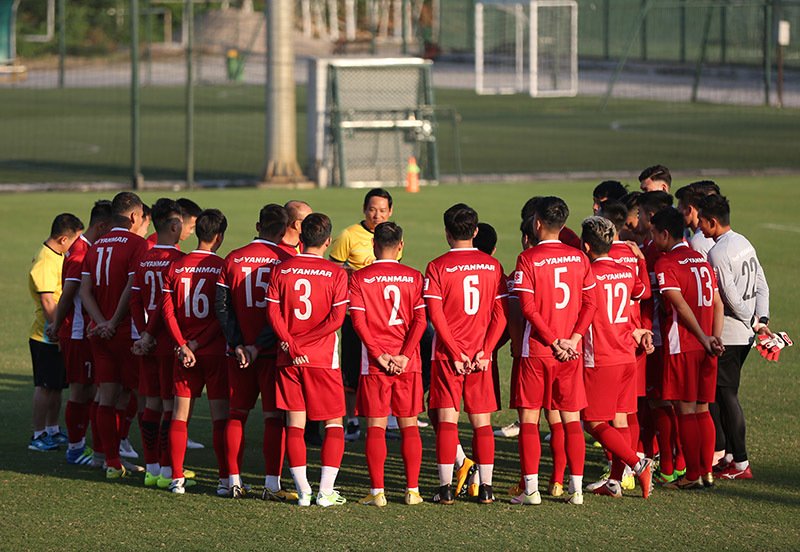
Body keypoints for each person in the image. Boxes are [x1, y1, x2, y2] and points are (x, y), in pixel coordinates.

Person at [512, 196, 596, 506]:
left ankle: (531, 490)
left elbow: (528, 307)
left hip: (538, 350)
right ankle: (576, 490)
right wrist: (573, 339)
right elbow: (591, 304)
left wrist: (552, 340)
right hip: (570, 353)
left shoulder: (528, 259)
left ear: (536, 224)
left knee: (530, 420)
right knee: (572, 419)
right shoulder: (579, 258)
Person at [424, 203, 508, 505]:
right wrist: (484, 351)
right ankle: (486, 488)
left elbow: (436, 315)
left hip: (449, 357)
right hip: (480, 358)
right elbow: (501, 315)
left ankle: (445, 489)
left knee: (447, 422)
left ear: (447, 233)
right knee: (481, 424)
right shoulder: (493, 266)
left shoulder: (436, 267)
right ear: (475, 231)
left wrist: (455, 351)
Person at [266, 213, 350, 507]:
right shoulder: (337, 273)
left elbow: (273, 313)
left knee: (295, 424)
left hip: (288, 358)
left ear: (300, 240)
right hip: (322, 358)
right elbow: (337, 319)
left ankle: (303, 491)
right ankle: (326, 491)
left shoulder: (281, 269)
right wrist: (306, 342)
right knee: (333, 423)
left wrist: (290, 342)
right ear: (328, 241)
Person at [215, 204, 297, 500]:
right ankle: (271, 485)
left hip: (238, 354)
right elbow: (284, 314)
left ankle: (232, 481)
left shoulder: (233, 258)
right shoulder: (287, 260)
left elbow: (222, 308)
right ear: (285, 230)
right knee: (274, 418)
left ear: (258, 224)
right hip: (271, 352)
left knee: (236, 415)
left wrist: (238, 344)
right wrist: (257, 345)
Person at [349, 222, 428, 507]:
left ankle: (377, 493)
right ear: (401, 246)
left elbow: (358, 322)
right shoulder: (414, 277)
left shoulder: (360, 278)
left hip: (375, 365)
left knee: (376, 428)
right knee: (409, 427)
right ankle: (413, 491)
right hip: (409, 363)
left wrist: (378, 354)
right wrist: (405, 355)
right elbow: (421, 321)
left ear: (373, 246)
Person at [579, 216, 655, 499]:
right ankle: (614, 481)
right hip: (626, 354)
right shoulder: (624, 270)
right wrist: (642, 261)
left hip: (602, 355)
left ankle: (638, 463)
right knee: (620, 419)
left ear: (586, 246)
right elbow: (643, 291)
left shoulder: (588, 274)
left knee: (594, 422)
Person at [651, 207, 724, 490]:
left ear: (665, 233)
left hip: (684, 344)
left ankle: (692, 475)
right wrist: (714, 339)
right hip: (707, 346)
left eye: (655, 234)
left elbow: (679, 306)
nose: (653, 239)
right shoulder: (701, 260)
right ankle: (705, 472)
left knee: (686, 410)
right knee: (703, 409)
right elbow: (717, 303)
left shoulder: (666, 264)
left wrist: (702, 339)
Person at [698, 194, 770, 480]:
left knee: (726, 395)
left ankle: (740, 462)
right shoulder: (743, 242)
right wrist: (762, 320)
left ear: (713, 221)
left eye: (703, 222)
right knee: (722, 393)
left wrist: (753, 322)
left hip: (731, 333)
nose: (700, 228)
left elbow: (730, 298)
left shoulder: (718, 253)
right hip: (747, 334)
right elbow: (763, 284)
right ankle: (729, 456)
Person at [79, 192, 149, 479]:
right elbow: (132, 288)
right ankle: (147, 462)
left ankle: (109, 459)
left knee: (106, 396)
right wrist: (114, 321)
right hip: (126, 332)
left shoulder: (95, 247)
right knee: (136, 395)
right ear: (134, 216)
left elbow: (85, 291)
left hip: (100, 332)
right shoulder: (137, 244)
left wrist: (100, 322)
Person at [160, 209, 230, 495]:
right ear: (219, 236)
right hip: (212, 352)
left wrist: (181, 344)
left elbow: (167, 311)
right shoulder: (222, 267)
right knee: (220, 417)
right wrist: (198, 345)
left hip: (182, 353)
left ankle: (176, 478)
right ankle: (225, 479)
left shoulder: (176, 266)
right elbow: (220, 315)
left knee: (179, 415)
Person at [329, 188, 399, 442]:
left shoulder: (392, 236)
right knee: (351, 370)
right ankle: (352, 421)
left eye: (382, 210)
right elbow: (333, 270)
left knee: (387, 367)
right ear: (364, 209)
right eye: (372, 209)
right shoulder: (349, 235)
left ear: (390, 211)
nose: (377, 215)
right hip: (353, 315)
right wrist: (359, 274)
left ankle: (388, 419)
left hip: (383, 318)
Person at [47, 201, 113, 464]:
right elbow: (68, 295)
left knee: (93, 390)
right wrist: (57, 324)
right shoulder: (79, 254)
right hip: (76, 333)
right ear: (102, 226)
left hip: (85, 332)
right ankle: (75, 449)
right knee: (80, 391)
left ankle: (87, 446)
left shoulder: (90, 250)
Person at [130, 198, 185, 488]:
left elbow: (135, 300)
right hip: (167, 342)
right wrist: (151, 334)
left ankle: (150, 467)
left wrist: (141, 335)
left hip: (146, 343)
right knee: (168, 405)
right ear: (175, 226)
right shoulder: (179, 261)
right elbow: (169, 308)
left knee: (150, 402)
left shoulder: (145, 258)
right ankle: (166, 469)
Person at [636, 191, 687, 484]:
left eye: (644, 215)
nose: (642, 220)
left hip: (658, 339)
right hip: (678, 338)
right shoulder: (689, 253)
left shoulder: (656, 254)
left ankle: (667, 466)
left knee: (659, 401)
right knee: (679, 402)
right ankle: (678, 462)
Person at [28, 213, 84, 451]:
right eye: (76, 240)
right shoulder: (45, 261)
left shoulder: (57, 255)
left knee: (56, 385)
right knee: (44, 386)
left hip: (56, 333)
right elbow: (48, 301)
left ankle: (52, 429)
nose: (77, 245)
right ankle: (38, 434)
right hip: (45, 335)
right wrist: (58, 329)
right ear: (63, 239)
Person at [674, 181, 719, 259]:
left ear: (689, 210)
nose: (677, 212)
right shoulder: (712, 233)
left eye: (679, 208)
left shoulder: (698, 242)